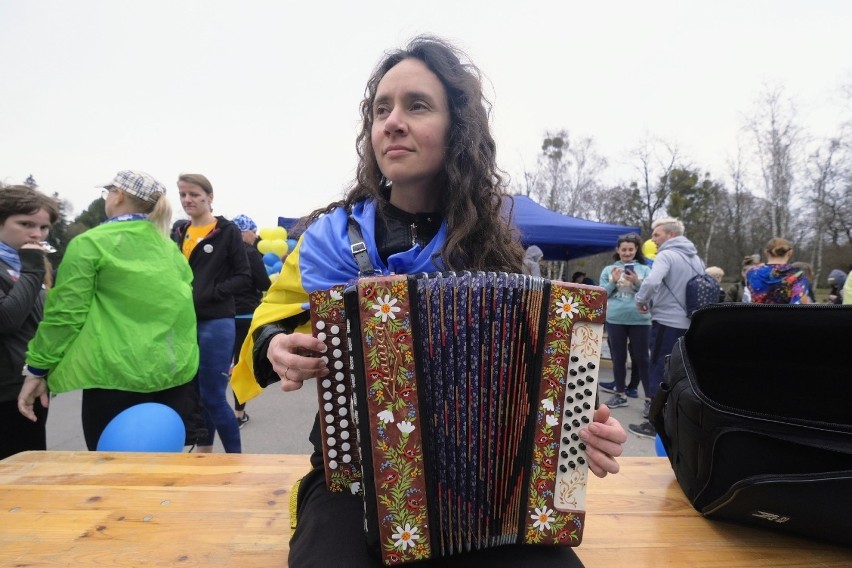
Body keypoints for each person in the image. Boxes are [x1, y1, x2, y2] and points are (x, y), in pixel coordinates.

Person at [231, 36, 626, 567]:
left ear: (456, 130)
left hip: (483, 487)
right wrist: (276, 345)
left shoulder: (493, 248)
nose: (392, 121)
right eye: (380, 109)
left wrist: (588, 432)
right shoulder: (328, 238)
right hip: (355, 481)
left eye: (416, 105)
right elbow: (266, 326)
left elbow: (545, 386)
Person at [17, 171, 201, 450]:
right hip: (172, 376)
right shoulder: (169, 248)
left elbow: (66, 314)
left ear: (119, 195)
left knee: (110, 475)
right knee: (164, 476)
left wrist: (38, 367)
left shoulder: (90, 243)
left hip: (114, 376)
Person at [173, 174, 251, 453]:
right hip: (184, 323)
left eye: (194, 194)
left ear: (210, 197)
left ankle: (234, 458)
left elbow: (244, 276)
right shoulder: (179, 232)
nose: (187, 200)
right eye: (182, 194)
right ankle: (204, 452)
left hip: (216, 322)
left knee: (214, 396)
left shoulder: (226, 230)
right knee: (196, 395)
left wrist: (209, 292)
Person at [629, 218, 705, 439]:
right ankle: (676, 421)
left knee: (659, 367)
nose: (653, 239)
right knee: (680, 369)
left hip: (666, 321)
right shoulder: (696, 259)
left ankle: (655, 424)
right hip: (690, 322)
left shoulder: (667, 254)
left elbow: (652, 281)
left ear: (670, 235)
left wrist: (641, 300)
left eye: (656, 235)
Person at [0, 186, 59, 459]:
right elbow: (7, 320)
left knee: (30, 473)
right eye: (25, 224)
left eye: (43, 227)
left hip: (28, 386)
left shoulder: (26, 265)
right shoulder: (30, 265)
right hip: (4, 392)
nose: (36, 234)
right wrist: (33, 267)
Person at [597, 233, 651, 409]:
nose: (627, 253)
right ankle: (620, 394)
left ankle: (650, 400)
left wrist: (636, 282)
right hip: (615, 319)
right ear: (617, 250)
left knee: (642, 359)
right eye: (624, 249)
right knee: (618, 358)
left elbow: (651, 293)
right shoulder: (608, 270)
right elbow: (601, 294)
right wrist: (613, 281)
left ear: (636, 250)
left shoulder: (645, 270)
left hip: (640, 319)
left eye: (631, 249)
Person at [230, 214, 271, 427]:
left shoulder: (223, 252)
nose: (255, 236)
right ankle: (238, 414)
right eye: (252, 232)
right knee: (240, 365)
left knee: (217, 367)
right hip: (246, 314)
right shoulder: (251, 254)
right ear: (243, 232)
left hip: (222, 314)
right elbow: (264, 282)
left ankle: (215, 413)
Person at [745, 237, 811, 304]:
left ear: (766, 252)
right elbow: (799, 303)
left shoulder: (752, 273)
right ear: (790, 253)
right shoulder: (798, 275)